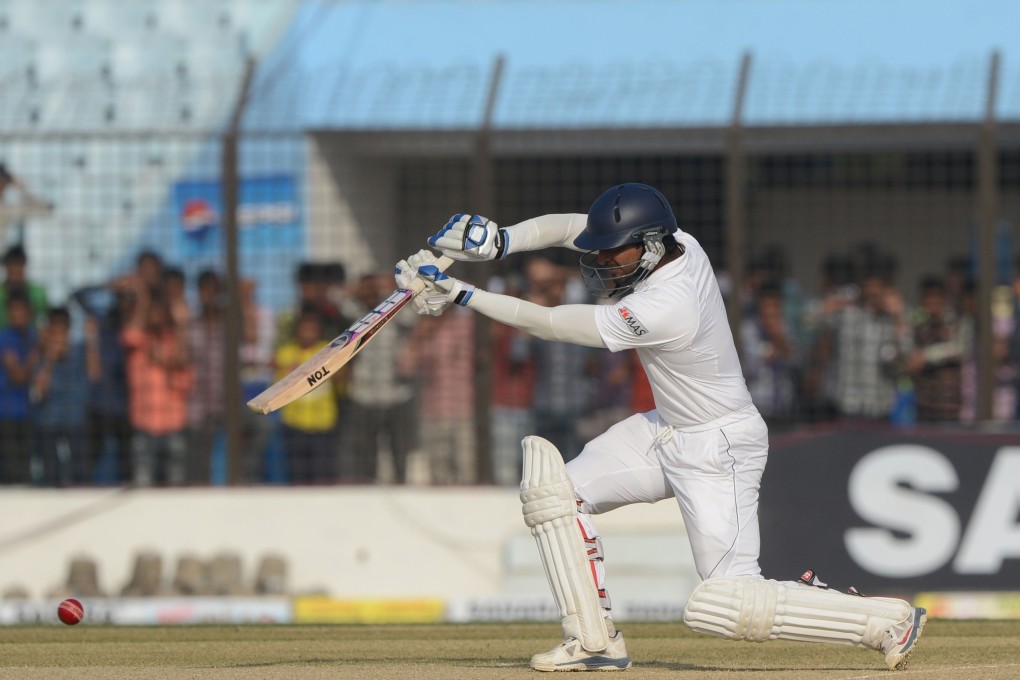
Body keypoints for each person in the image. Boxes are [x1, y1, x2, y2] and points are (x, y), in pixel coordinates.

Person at [395, 184, 926, 672]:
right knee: (555, 493)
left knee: (724, 602)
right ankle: (595, 642)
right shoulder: (680, 242)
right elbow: (570, 228)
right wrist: (501, 241)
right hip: (665, 429)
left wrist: (461, 295)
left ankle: (886, 619)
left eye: (614, 251)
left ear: (648, 245)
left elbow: (553, 324)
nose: (602, 259)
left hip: (720, 447)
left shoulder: (666, 305)